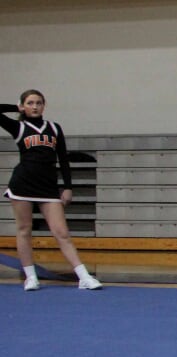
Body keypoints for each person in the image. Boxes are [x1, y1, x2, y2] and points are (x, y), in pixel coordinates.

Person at [2, 90, 102, 291]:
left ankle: (83, 276)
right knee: (24, 229)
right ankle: (30, 276)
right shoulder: (19, 127)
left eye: (38, 102)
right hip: (23, 184)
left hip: (48, 187)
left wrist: (68, 187)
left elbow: (63, 160)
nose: (35, 106)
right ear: (23, 106)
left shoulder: (54, 128)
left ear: (44, 105)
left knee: (62, 233)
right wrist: (16, 108)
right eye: (30, 103)